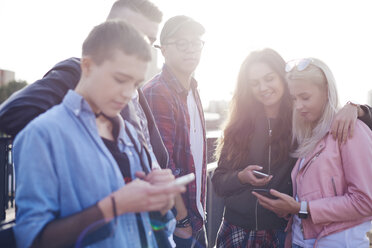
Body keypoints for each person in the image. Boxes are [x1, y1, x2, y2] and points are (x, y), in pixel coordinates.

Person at [13, 20, 185, 248]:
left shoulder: (130, 134)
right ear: (87, 66)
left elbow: (155, 226)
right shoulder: (42, 135)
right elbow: (31, 240)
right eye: (120, 79)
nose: (128, 93)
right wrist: (114, 206)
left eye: (135, 84)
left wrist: (159, 201)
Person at [212, 48, 372, 248]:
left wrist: (359, 109)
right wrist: (241, 177)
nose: (263, 87)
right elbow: (218, 181)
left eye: (269, 78)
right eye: (254, 83)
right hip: (238, 228)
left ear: (282, 78)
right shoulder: (239, 127)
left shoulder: (303, 122)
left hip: (281, 231)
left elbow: (357, 136)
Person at [0, 0, 168, 169]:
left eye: (150, 40)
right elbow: (14, 113)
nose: (142, 46)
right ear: (108, 30)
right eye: (134, 35)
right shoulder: (77, 73)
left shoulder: (135, 90)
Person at [143, 15, 207, 247]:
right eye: (182, 43)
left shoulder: (192, 88)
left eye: (196, 42)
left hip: (196, 216)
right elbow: (164, 165)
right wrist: (181, 222)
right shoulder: (157, 92)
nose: (191, 49)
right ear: (164, 50)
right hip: (175, 224)